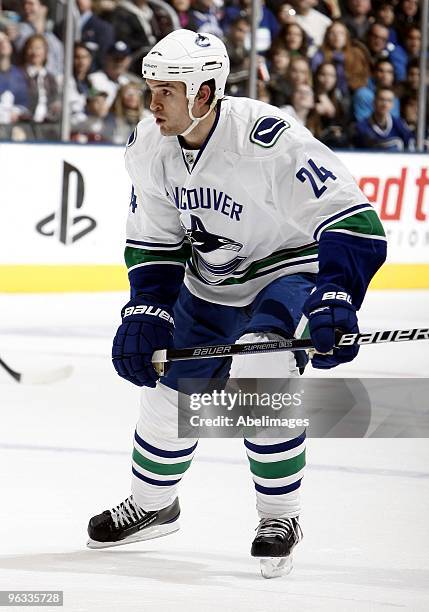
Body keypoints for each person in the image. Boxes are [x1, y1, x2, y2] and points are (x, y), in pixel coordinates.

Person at [86, 29, 386, 578]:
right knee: (168, 391)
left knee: (262, 372)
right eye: (151, 87)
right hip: (209, 282)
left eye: (167, 90)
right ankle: (154, 507)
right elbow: (153, 240)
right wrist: (147, 308)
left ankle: (280, 516)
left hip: (287, 270)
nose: (152, 101)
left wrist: (338, 293)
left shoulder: (269, 141)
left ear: (205, 93)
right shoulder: (150, 144)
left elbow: (355, 220)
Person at [355, 86, 414, 151]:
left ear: (393, 104)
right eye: (381, 99)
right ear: (374, 102)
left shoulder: (400, 125)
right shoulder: (362, 127)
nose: (385, 104)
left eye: (389, 100)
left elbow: (411, 147)